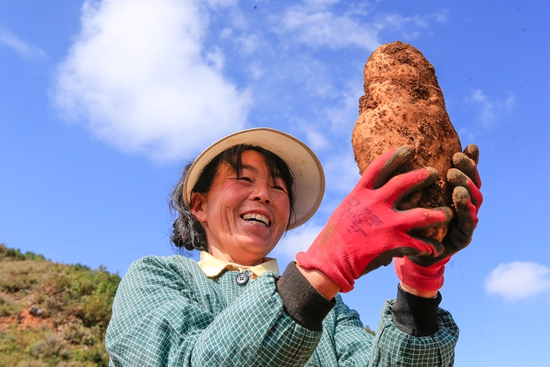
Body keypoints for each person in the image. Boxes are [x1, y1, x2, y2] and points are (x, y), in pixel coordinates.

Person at [105, 127, 482, 366]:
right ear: (200, 205)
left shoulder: (333, 316)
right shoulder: (157, 277)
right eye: (243, 179)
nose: (263, 195)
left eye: (278, 188)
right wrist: (319, 271)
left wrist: (420, 284)